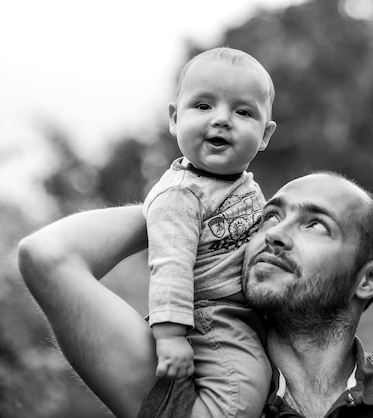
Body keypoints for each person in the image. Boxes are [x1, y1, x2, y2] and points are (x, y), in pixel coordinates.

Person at [18, 172, 373, 417]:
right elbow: (48, 256)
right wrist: (185, 210)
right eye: (266, 218)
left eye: (315, 225)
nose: (275, 234)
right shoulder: (185, 380)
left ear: (369, 279)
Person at [139, 46, 276, 417]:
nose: (222, 119)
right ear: (174, 117)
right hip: (209, 317)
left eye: (243, 112)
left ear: (264, 135)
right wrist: (171, 336)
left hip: (244, 313)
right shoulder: (182, 194)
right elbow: (170, 265)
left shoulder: (238, 183)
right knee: (241, 390)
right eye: (203, 106)